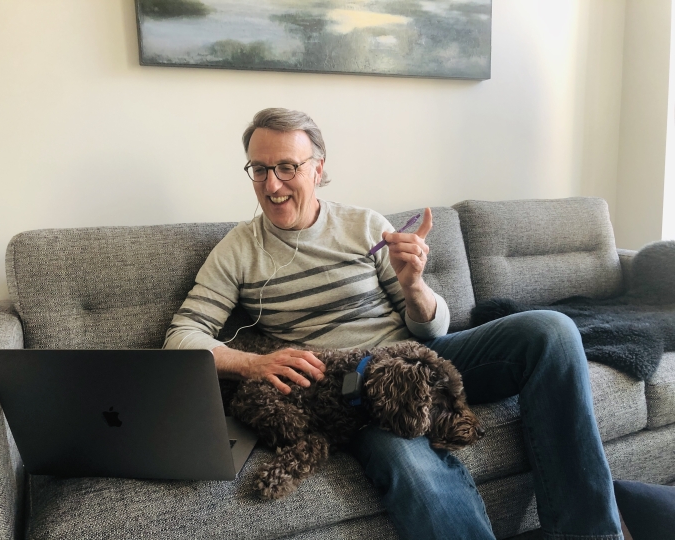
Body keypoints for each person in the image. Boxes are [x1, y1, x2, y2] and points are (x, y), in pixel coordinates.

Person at [164, 108, 624, 540]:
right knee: (408, 461)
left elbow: (432, 333)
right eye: (259, 169)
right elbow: (181, 336)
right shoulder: (237, 250)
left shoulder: (365, 226)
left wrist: (415, 286)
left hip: (415, 358)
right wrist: (253, 364)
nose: (272, 184)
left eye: (287, 167)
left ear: (318, 168)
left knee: (551, 330)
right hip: (346, 389)